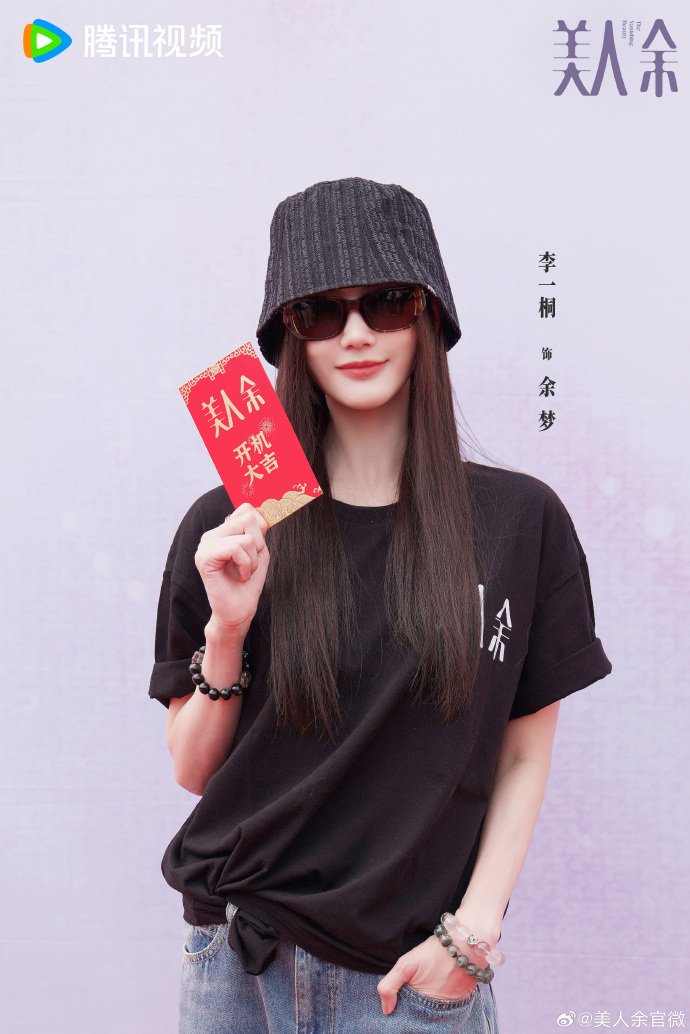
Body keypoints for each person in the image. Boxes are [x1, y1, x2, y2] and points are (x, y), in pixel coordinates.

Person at [149, 176, 613, 1034]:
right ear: (287, 337)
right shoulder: (230, 528)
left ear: (430, 316)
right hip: (234, 964)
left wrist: (472, 937)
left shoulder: (520, 522)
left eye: (387, 303)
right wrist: (228, 628)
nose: (355, 333)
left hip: (408, 982)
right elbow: (195, 771)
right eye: (319, 312)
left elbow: (522, 751)